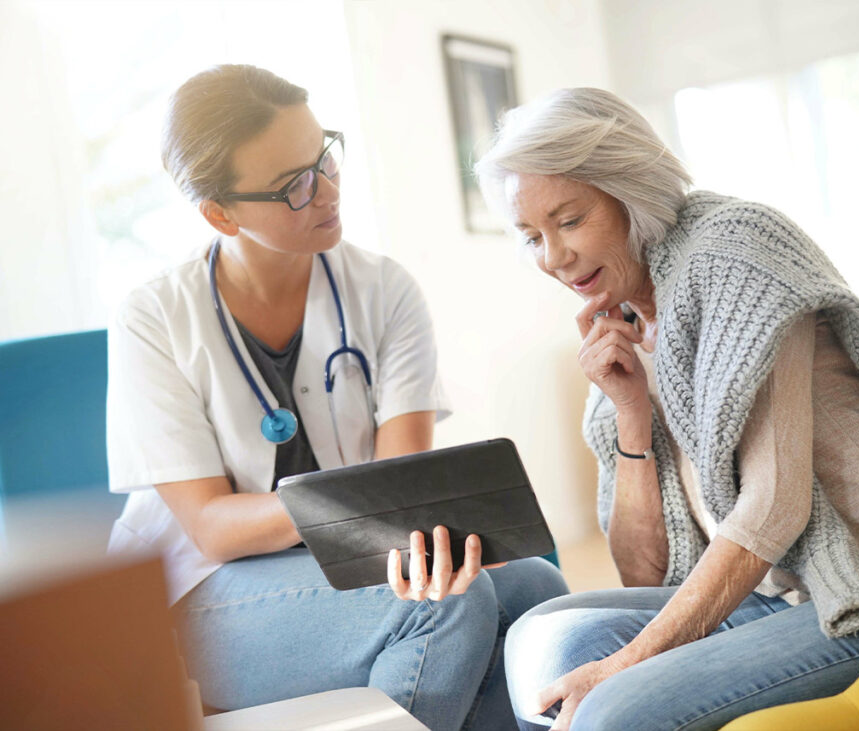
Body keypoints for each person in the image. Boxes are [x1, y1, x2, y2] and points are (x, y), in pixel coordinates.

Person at [473, 87, 859, 730]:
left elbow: (774, 506)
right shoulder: (618, 317)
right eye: (531, 235)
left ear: (631, 192)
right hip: (787, 594)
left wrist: (630, 661)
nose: (554, 258)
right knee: (542, 637)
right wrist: (630, 413)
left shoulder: (733, 251)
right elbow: (645, 570)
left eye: (569, 221)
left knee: (616, 709)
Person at [105, 64, 567, 731]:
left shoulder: (384, 290)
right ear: (220, 212)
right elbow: (212, 525)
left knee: (537, 591)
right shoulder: (154, 317)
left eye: (324, 156)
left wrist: (395, 520)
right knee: (441, 608)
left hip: (345, 560)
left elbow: (401, 492)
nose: (326, 191)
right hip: (199, 592)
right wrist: (354, 510)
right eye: (293, 184)